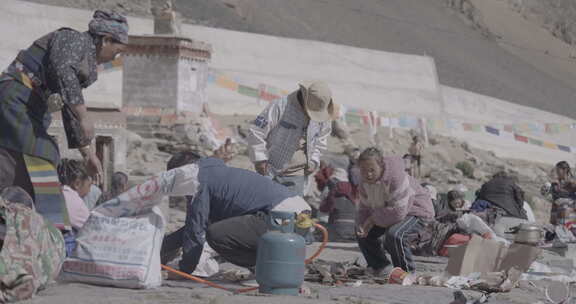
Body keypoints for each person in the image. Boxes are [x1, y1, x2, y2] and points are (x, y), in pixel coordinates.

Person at [0, 10, 128, 228]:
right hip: (16, 96)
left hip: (35, 107)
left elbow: (68, 106)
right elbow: (63, 72)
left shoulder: (85, 64)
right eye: (117, 51)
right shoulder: (72, 39)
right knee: (43, 151)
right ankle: (49, 220)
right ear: (106, 40)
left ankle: (25, 216)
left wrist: (87, 153)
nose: (116, 58)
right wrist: (84, 115)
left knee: (35, 155)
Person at [160, 151, 312, 277]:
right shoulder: (215, 174)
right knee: (221, 230)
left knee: (217, 235)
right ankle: (273, 268)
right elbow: (192, 228)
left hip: (282, 221)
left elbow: (196, 231)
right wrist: (159, 250)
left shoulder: (198, 181)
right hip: (298, 217)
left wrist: (185, 270)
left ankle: (268, 271)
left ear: (183, 174)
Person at [355, 147, 435, 274]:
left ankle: (405, 272)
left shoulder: (396, 177)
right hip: (387, 213)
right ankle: (380, 267)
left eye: (372, 170)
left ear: (381, 166)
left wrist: (372, 219)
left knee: (396, 235)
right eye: (364, 170)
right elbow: (364, 208)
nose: (368, 174)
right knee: (362, 231)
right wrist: (362, 224)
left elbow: (399, 211)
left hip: (416, 211)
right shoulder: (363, 183)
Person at [247, 80, 334, 195]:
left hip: (297, 174)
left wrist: (314, 160)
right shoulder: (280, 106)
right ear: (304, 98)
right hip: (269, 169)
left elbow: (321, 140)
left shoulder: (323, 117)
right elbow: (257, 131)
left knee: (290, 210)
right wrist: (260, 160)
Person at [318, 168, 357, 241]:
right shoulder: (352, 193)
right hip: (352, 232)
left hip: (336, 232)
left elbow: (323, 209)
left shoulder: (332, 192)